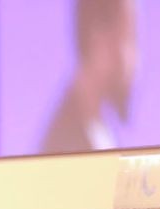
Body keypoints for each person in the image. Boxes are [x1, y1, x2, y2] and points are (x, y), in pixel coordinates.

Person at [41, 0, 139, 153]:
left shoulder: (101, 130)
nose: (135, 59)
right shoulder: (64, 144)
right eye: (130, 38)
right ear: (98, 38)